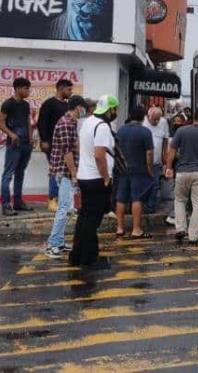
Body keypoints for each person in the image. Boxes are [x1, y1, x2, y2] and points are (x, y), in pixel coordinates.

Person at [70, 95, 119, 267]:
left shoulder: (88, 122)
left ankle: (77, 254)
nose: (116, 113)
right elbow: (99, 155)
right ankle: (90, 258)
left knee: (84, 218)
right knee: (92, 220)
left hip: (84, 176)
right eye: (115, 109)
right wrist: (106, 177)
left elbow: (80, 147)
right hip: (96, 178)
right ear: (110, 109)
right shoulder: (103, 126)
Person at [165, 107, 198, 243]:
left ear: (193, 117)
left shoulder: (182, 131)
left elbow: (172, 150)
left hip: (182, 172)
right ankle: (193, 236)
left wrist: (169, 167)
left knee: (180, 200)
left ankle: (180, 228)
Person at [45, 95, 86, 259]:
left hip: (67, 171)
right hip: (64, 172)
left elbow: (75, 145)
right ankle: (52, 244)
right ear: (77, 107)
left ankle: (59, 242)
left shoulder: (72, 123)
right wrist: (74, 174)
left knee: (67, 209)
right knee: (64, 208)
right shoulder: (65, 124)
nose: (83, 111)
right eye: (82, 108)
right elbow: (66, 152)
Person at [0, 77, 35, 216]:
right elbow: (0, 123)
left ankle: (18, 203)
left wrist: (31, 139)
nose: (28, 91)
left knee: (20, 173)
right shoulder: (8, 104)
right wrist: (12, 135)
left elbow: (28, 122)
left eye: (29, 88)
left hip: (26, 145)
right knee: (8, 174)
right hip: (14, 145)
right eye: (26, 88)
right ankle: (6, 205)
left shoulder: (25, 105)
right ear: (18, 88)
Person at [115, 105, 154, 238]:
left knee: (121, 199)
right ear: (143, 117)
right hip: (139, 168)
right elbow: (149, 154)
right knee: (137, 198)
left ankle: (120, 228)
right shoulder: (145, 132)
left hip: (123, 169)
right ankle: (136, 229)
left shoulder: (120, 130)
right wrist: (149, 169)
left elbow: (116, 149)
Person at [38, 79, 74, 212]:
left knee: (64, 173)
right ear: (61, 88)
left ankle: (61, 199)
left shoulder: (67, 105)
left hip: (65, 146)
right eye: (69, 90)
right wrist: (44, 140)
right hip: (52, 145)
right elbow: (42, 123)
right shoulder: (49, 104)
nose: (70, 92)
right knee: (55, 171)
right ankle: (52, 199)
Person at [143, 106, 170, 214]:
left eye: (158, 119)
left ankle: (151, 208)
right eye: (154, 119)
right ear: (148, 116)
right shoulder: (143, 122)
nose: (156, 121)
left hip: (156, 162)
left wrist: (165, 158)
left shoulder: (163, 122)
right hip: (143, 161)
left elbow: (165, 140)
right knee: (143, 185)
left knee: (154, 185)